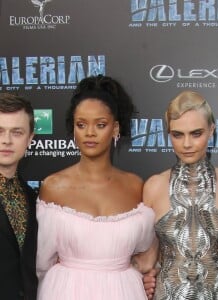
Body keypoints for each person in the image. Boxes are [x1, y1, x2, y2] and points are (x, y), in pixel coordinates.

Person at [36, 75, 155, 300]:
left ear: (115, 128)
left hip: (124, 291)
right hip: (64, 292)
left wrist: (144, 273)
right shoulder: (53, 186)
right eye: (81, 124)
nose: (90, 133)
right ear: (74, 129)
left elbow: (148, 250)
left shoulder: (136, 186)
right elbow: (42, 261)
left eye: (100, 124)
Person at [141, 91, 218, 299]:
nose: (186, 144)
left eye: (196, 133)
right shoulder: (154, 186)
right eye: (177, 134)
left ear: (211, 130)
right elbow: (147, 258)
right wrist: (143, 275)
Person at [0, 93, 37, 300]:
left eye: (17, 132)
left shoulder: (31, 197)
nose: (6, 140)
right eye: (0, 131)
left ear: (30, 139)